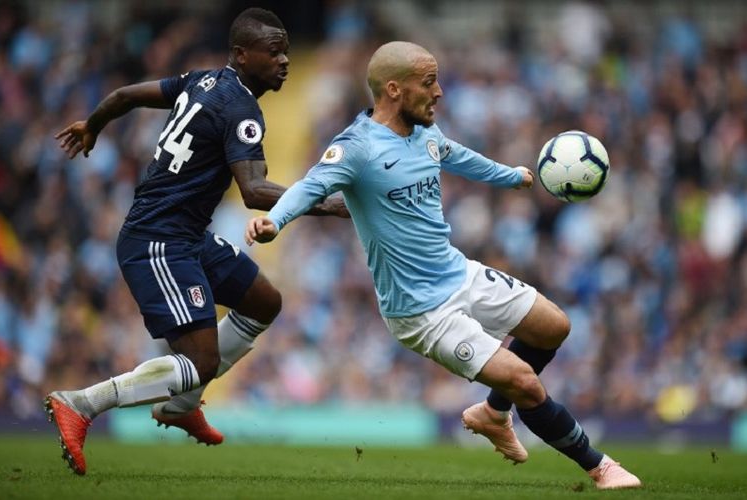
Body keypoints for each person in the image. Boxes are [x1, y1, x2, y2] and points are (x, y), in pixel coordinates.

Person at [246, 41, 642, 490]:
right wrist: (273, 221)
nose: (438, 93)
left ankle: (493, 413)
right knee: (525, 383)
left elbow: (458, 156)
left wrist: (509, 175)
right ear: (394, 89)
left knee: (554, 328)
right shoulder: (356, 148)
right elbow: (309, 187)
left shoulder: (424, 133)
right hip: (421, 312)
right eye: (428, 82)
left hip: (459, 273)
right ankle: (599, 466)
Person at [45, 7, 347, 476]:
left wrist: (93, 125)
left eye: (287, 51)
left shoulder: (201, 80)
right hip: (158, 241)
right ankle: (82, 404)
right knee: (201, 359)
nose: (285, 61)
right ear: (242, 55)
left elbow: (125, 95)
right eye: (274, 52)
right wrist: (326, 202)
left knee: (264, 301)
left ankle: (181, 406)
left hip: (186, 235)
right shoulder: (242, 109)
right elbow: (253, 192)